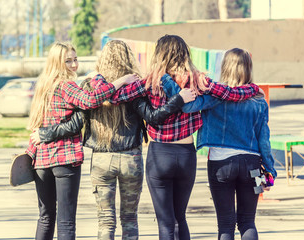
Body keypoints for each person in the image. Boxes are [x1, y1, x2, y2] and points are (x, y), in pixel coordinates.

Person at [94, 35, 261, 240]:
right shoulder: (197, 80)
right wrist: (252, 88)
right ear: (185, 53)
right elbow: (230, 93)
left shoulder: (150, 81)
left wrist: (103, 78)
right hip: (185, 155)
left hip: (159, 155)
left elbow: (114, 97)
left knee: (166, 223)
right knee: (180, 218)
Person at [29, 39, 197, 240]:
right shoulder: (135, 85)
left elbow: (78, 120)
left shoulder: (91, 86)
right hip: (131, 158)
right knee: (129, 219)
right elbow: (150, 116)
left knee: (106, 221)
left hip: (101, 159)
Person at [25, 41, 138, 240]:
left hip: (41, 160)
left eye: (75, 59)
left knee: (45, 217)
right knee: (66, 221)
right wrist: (120, 81)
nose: (74, 65)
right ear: (57, 63)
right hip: (64, 159)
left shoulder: (42, 86)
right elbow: (91, 100)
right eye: (68, 61)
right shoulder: (66, 86)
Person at [162, 48, 277, 240]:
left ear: (224, 67)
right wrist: (271, 170)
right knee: (248, 221)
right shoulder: (259, 99)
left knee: (225, 224)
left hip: (221, 165)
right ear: (248, 69)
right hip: (253, 166)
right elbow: (264, 139)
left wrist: (168, 81)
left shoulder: (215, 96)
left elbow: (187, 105)